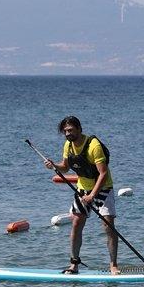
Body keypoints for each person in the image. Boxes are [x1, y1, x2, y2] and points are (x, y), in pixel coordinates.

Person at [43, 115, 120, 275]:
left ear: (79, 129)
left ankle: (113, 265)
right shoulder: (68, 145)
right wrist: (53, 166)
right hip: (82, 189)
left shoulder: (93, 145)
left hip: (103, 189)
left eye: (70, 130)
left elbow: (103, 173)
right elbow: (64, 167)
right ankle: (74, 264)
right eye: (65, 131)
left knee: (108, 226)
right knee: (76, 224)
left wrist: (93, 195)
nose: (67, 134)